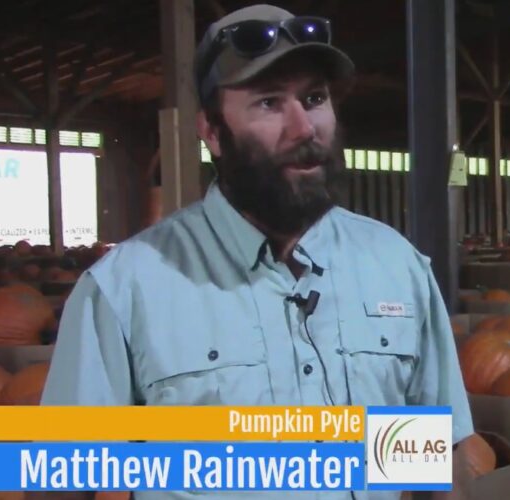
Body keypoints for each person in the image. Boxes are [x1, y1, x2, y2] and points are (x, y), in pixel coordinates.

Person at [42, 4, 474, 499]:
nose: (303, 127)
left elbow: (438, 462)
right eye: (269, 103)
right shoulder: (126, 288)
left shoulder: (398, 268)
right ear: (211, 132)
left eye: (314, 98)